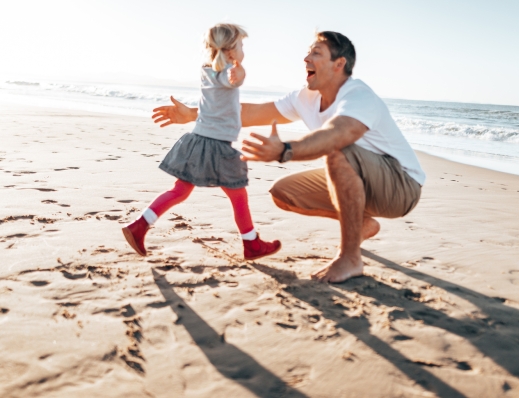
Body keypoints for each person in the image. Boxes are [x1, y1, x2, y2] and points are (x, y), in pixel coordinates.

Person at [152, 31, 424, 283]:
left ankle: (350, 258)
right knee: (284, 193)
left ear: (339, 64)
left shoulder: (358, 95)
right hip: (362, 178)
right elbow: (251, 112)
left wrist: (285, 150)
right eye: (308, 53)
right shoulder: (305, 98)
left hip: (401, 185)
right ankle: (362, 224)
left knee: (339, 153)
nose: (306, 58)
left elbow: (339, 133)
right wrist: (193, 114)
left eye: (316, 53)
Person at [122, 23, 281, 261]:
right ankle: (252, 245)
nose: (243, 50)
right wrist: (241, 72)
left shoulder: (207, 70)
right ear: (229, 51)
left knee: (180, 191)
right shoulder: (228, 72)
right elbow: (233, 80)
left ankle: (140, 225)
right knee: (238, 196)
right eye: (241, 45)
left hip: (197, 142)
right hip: (217, 147)